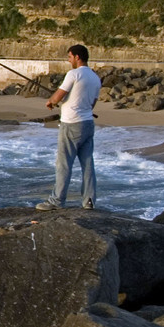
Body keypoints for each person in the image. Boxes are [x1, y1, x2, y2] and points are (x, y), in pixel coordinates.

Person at [37, 43, 100, 211]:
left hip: (71, 124)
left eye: (69, 57)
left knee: (64, 164)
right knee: (87, 164)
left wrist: (51, 102)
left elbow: (59, 95)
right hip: (88, 124)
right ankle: (89, 201)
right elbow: (92, 103)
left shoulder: (74, 74)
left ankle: (57, 201)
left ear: (77, 57)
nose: (69, 60)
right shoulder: (95, 78)